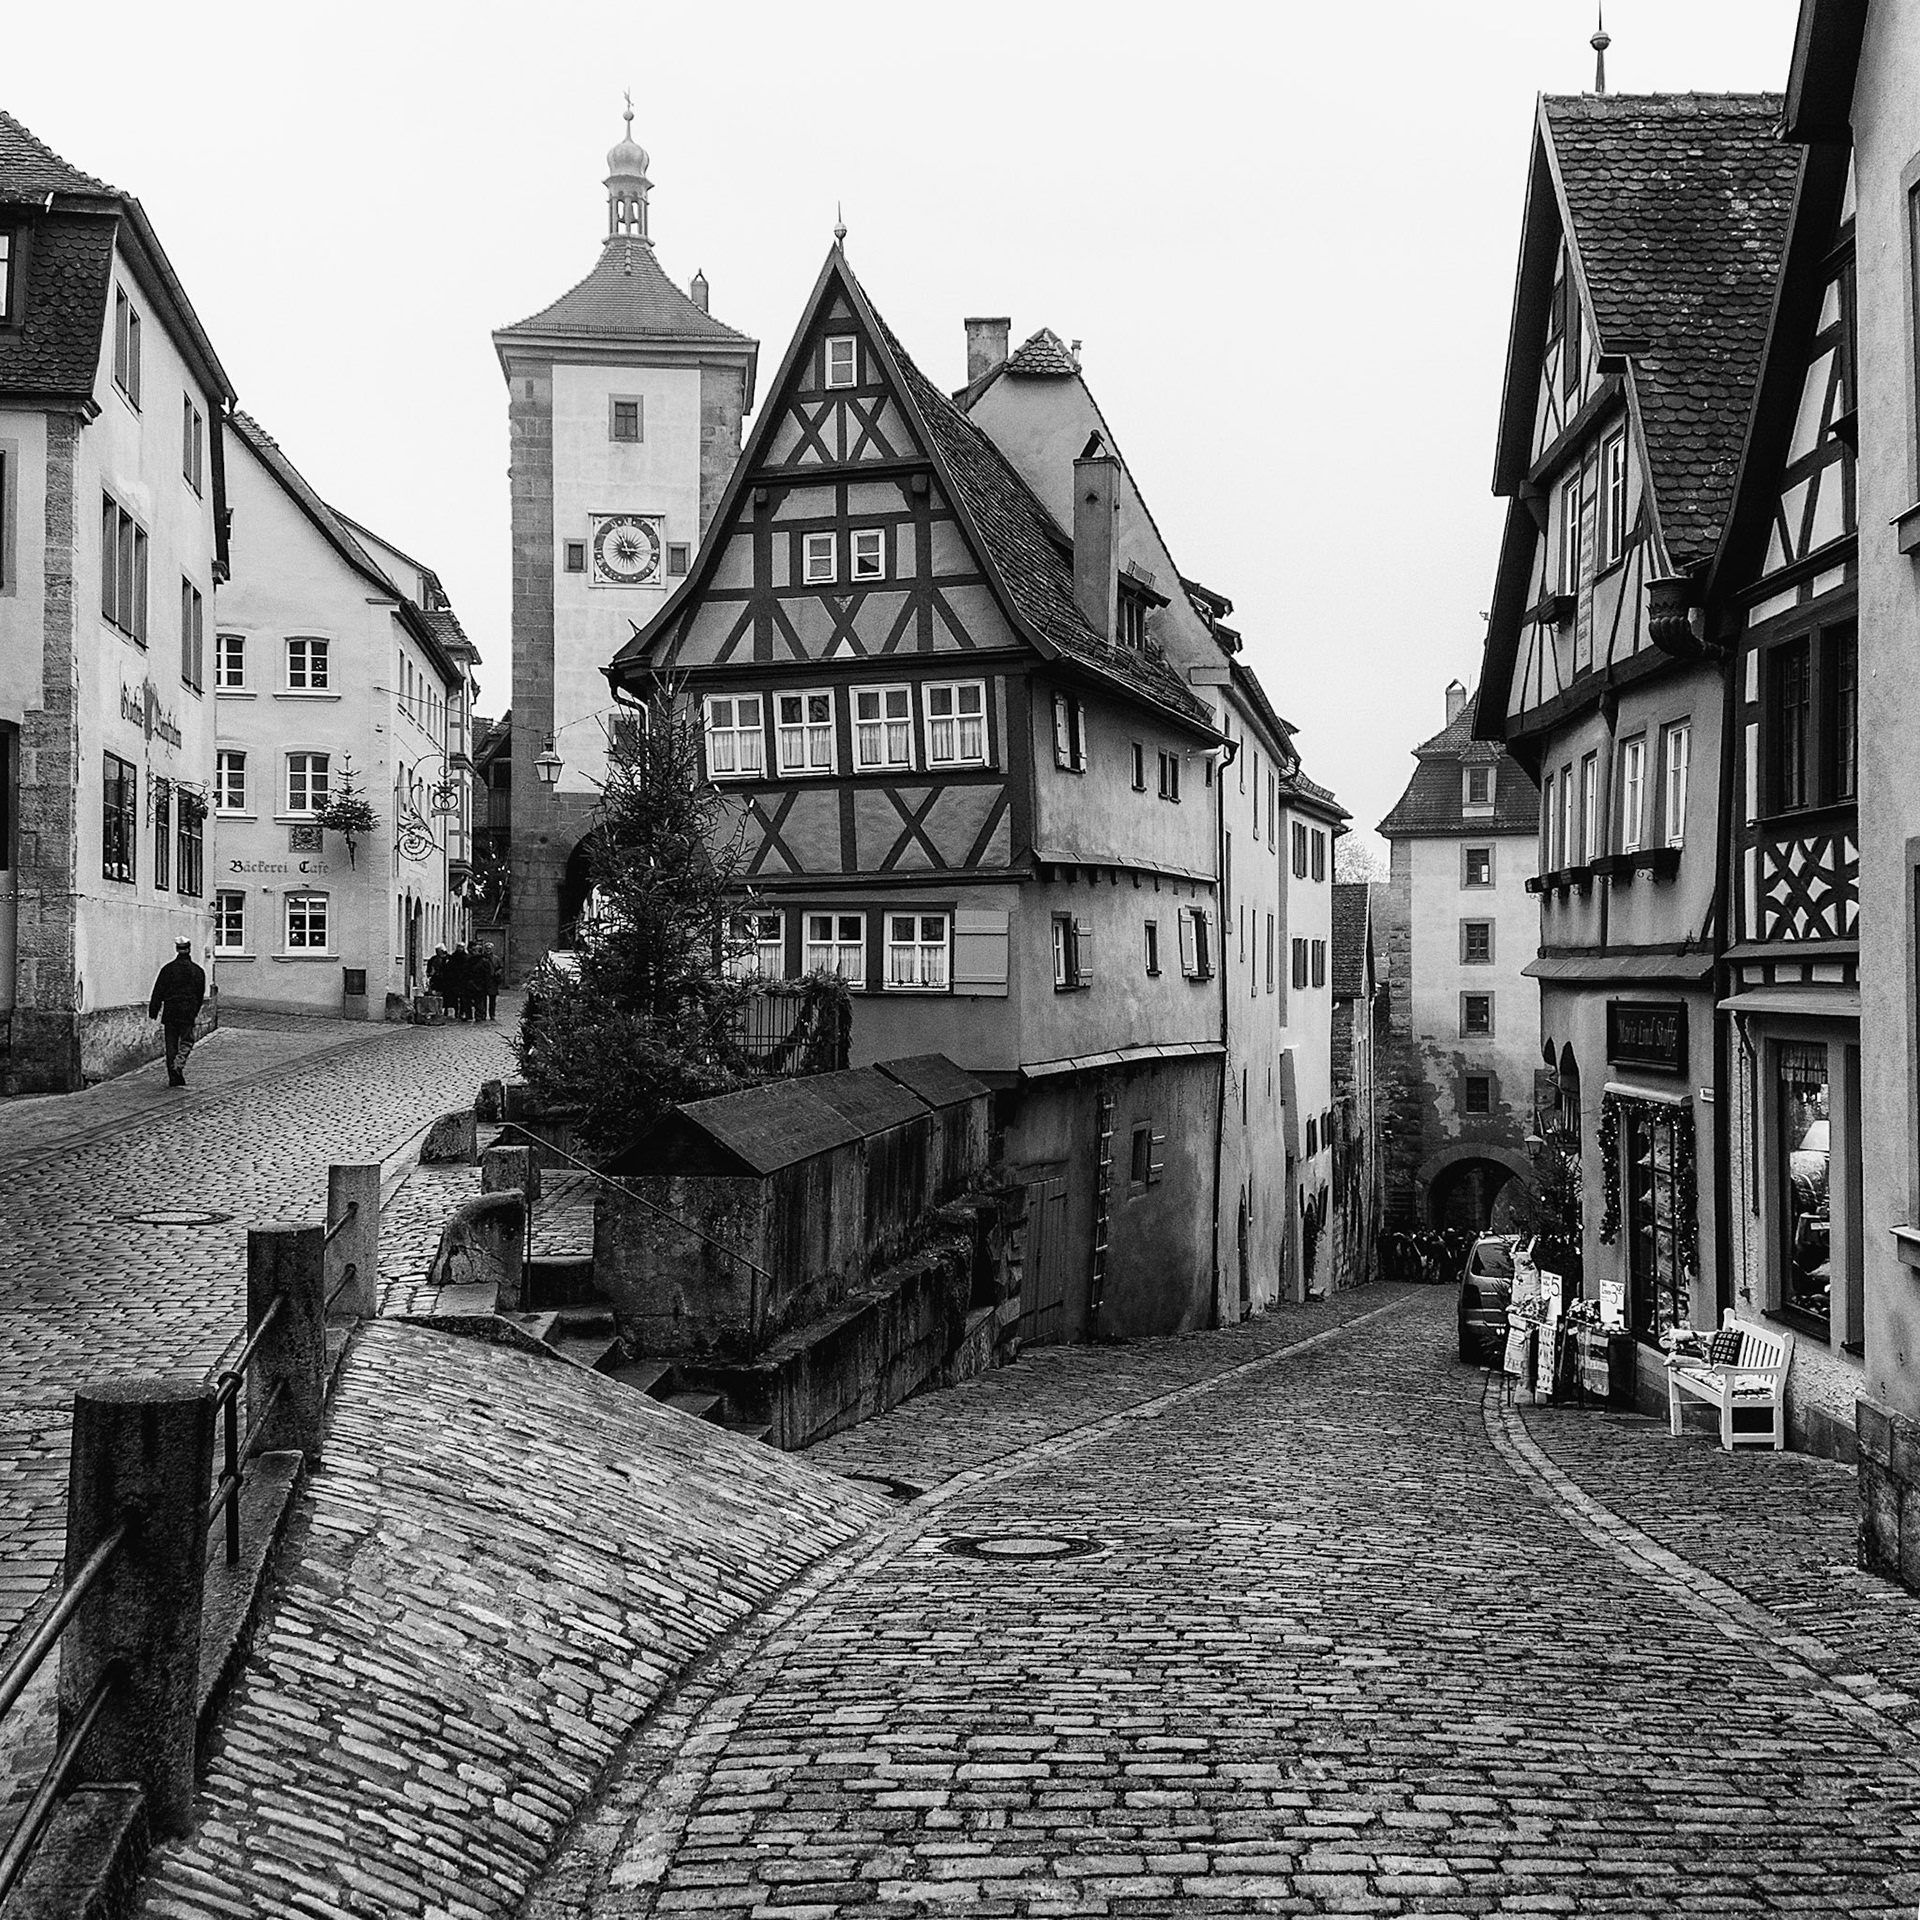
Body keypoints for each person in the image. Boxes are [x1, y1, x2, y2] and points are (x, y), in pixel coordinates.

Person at [147, 937, 207, 1088]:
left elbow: (158, 990)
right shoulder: (197, 971)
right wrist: (195, 1011)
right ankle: (178, 1064)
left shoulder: (167, 969)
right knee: (187, 1041)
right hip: (187, 1012)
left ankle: (173, 1076)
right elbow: (199, 995)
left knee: (171, 1044)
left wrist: (153, 1009)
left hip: (171, 1012)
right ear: (189, 949)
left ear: (177, 949)